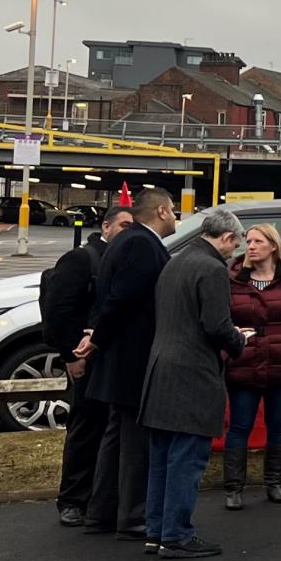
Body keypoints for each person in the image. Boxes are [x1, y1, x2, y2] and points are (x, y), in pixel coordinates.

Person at [136, 206, 247, 559]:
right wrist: (239, 340)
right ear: (226, 237)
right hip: (192, 375)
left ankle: (156, 531)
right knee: (187, 459)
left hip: (160, 371)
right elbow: (216, 325)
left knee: (161, 459)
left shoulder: (176, 261)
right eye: (235, 245)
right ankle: (177, 534)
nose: (235, 252)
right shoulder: (212, 269)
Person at [76, 187, 179, 537]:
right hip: (131, 358)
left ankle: (101, 513)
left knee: (116, 437)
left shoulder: (125, 240)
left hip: (117, 358)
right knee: (134, 443)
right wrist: (99, 338)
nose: (176, 216)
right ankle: (133, 516)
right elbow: (123, 300)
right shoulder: (142, 245)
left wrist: (98, 338)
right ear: (162, 212)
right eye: (174, 210)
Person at [220, 221, 281, 510]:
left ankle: (275, 483)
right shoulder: (232, 280)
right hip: (243, 364)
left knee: (278, 426)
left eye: (257, 242)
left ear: (273, 246)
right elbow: (220, 320)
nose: (250, 246)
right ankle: (233, 488)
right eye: (247, 241)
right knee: (239, 426)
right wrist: (229, 353)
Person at [48, 207, 131, 526]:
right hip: (87, 360)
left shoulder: (123, 260)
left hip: (112, 359)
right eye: (123, 225)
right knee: (85, 429)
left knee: (106, 431)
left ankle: (100, 498)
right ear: (106, 226)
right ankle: (71, 499)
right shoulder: (82, 259)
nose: (127, 231)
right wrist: (72, 357)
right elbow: (59, 311)